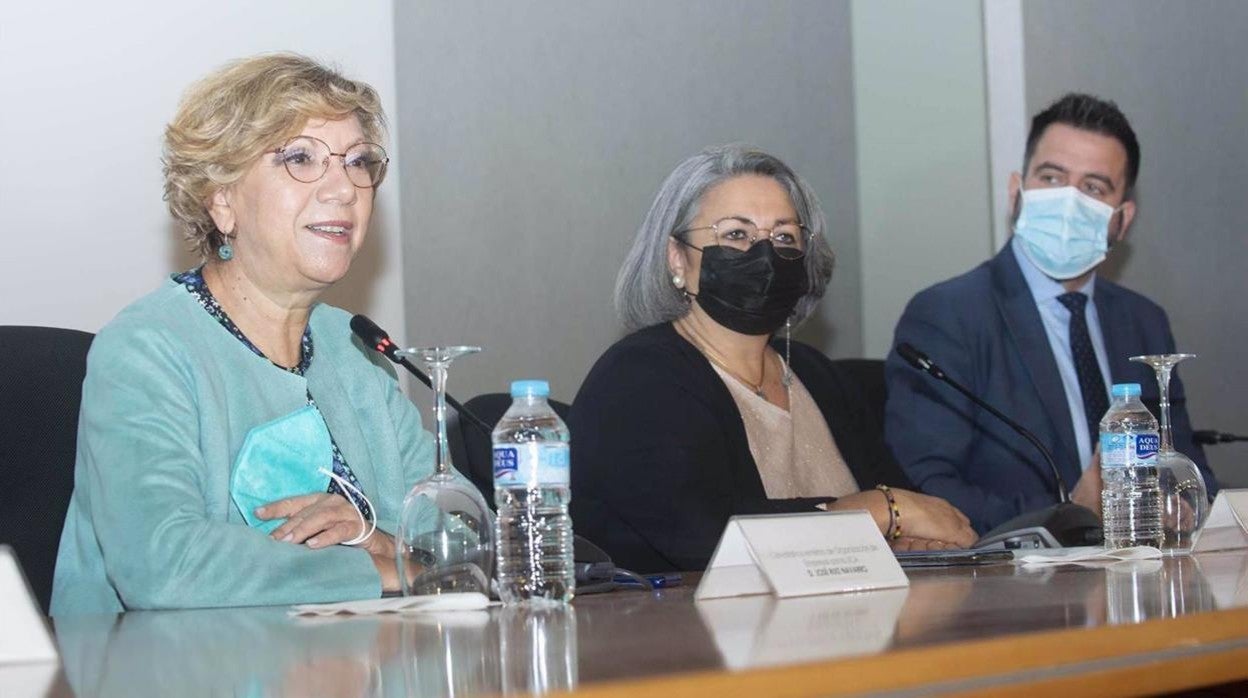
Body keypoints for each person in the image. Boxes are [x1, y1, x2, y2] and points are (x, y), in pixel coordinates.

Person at [51, 54, 434, 615]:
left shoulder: (357, 352)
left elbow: (464, 544)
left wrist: (378, 541)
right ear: (222, 199)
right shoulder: (146, 349)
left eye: (358, 162)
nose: (345, 189)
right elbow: (163, 565)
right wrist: (377, 569)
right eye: (301, 158)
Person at [570, 145, 976, 573]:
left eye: (784, 237)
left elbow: (915, 512)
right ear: (677, 258)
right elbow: (706, 538)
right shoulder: (637, 380)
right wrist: (875, 512)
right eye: (736, 235)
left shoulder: (818, 376)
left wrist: (904, 528)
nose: (763, 256)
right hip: (692, 633)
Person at [884, 93, 1218, 535]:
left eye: (1094, 188)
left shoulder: (1143, 322)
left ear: (1122, 219)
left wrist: (1187, 506)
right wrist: (1069, 514)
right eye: (1052, 177)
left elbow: (1189, 468)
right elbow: (927, 491)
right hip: (1015, 591)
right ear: (1016, 191)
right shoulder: (948, 315)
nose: (1068, 202)